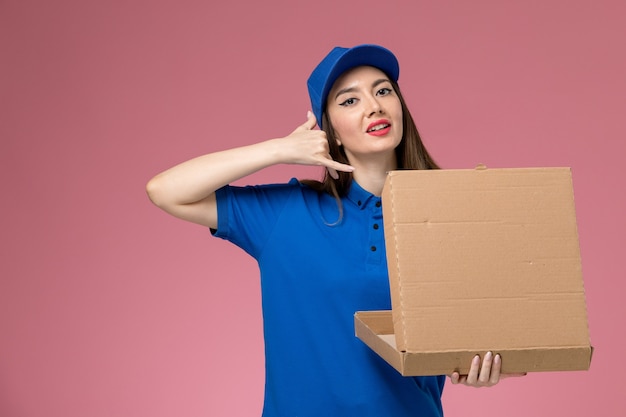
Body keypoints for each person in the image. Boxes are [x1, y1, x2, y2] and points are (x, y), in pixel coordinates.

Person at [147, 44, 520, 416]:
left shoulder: (449, 218)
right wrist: (278, 149)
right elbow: (165, 191)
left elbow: (491, 329)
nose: (374, 105)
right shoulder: (286, 214)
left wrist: (478, 365)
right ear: (331, 134)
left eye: (383, 90)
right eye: (349, 101)